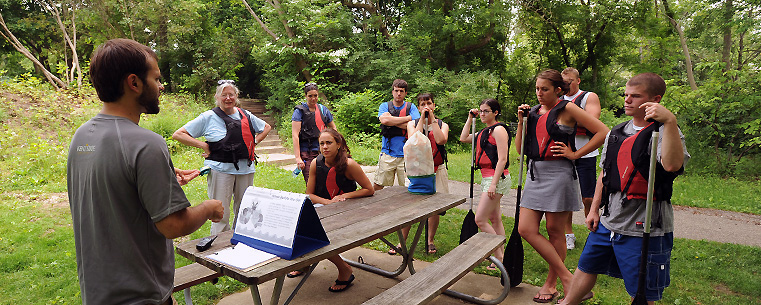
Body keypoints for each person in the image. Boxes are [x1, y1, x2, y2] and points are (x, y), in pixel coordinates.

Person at [67, 38, 224, 305]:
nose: (161, 86)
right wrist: (210, 207)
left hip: (97, 293)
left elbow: (113, 190)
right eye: (156, 78)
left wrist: (161, 182)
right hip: (140, 295)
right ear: (134, 83)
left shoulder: (82, 137)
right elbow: (173, 225)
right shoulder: (147, 143)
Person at [558, 73, 689, 305]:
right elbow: (605, 173)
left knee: (642, 293)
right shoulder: (616, 133)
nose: (627, 100)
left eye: (635, 96)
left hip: (645, 226)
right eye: (626, 95)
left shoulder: (666, 132)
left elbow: (672, 165)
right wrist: (594, 209)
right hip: (608, 221)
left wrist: (670, 121)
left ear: (655, 99)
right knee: (586, 267)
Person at [515, 69, 609, 303]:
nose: (539, 93)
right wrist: (521, 121)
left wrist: (576, 154)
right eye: (537, 88)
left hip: (559, 174)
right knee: (525, 229)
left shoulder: (567, 108)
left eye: (544, 89)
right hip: (535, 174)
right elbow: (519, 149)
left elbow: (602, 131)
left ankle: (551, 283)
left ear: (558, 90)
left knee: (555, 231)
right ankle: (569, 279)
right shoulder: (533, 112)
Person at [172, 80, 271, 235]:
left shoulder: (246, 115)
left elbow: (266, 127)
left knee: (245, 210)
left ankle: (241, 240)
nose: (228, 98)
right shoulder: (208, 117)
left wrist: (254, 143)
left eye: (231, 94)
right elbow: (178, 134)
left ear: (236, 96)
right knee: (220, 212)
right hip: (220, 170)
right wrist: (204, 146)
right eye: (223, 95)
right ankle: (219, 247)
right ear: (217, 97)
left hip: (246, 169)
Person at [288, 128, 375, 292]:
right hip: (324, 209)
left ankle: (345, 269)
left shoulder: (349, 165)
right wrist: (328, 203)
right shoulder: (316, 163)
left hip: (347, 212)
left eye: (329, 143)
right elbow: (309, 195)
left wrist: (346, 196)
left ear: (338, 144)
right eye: (322, 143)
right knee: (298, 225)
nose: (325, 147)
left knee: (316, 234)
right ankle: (305, 263)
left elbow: (369, 189)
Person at [393, 93, 450, 254]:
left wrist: (432, 121)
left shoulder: (442, 124)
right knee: (410, 207)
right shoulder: (412, 123)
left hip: (437, 169)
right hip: (416, 171)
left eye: (429, 103)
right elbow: (413, 140)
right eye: (423, 104)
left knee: (435, 207)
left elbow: (441, 140)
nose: (426, 106)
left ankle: (430, 240)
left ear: (434, 105)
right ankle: (402, 241)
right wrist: (422, 121)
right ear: (418, 107)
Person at [458, 98, 510, 266]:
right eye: (480, 111)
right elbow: (463, 137)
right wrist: (469, 118)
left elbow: (502, 159)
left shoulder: (499, 130)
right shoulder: (484, 132)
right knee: (495, 219)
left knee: (480, 220)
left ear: (495, 113)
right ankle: (501, 255)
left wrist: (493, 184)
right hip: (488, 178)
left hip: (496, 178)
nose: (482, 114)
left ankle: (500, 258)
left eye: (486, 111)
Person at [561, 67, 602, 250]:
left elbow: (592, 121)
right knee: (566, 197)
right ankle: (568, 235)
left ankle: (592, 233)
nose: (566, 85)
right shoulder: (558, 99)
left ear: (578, 81)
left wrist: (566, 119)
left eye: (569, 81)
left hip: (586, 153)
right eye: (563, 82)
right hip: (563, 152)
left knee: (588, 198)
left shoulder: (588, 97)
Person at [374, 79, 420, 190]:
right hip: (387, 153)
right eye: (396, 90)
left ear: (405, 93)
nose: (398, 93)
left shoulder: (411, 107)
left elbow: (417, 125)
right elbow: (384, 121)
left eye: (401, 91)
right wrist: (408, 119)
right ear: (392, 92)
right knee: (378, 185)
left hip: (407, 155)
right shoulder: (384, 106)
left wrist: (392, 121)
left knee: (408, 188)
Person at [291, 82, 338, 183]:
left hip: (323, 151)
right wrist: (298, 158)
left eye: (315, 95)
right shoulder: (299, 111)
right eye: (310, 96)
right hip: (307, 152)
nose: (313, 99)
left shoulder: (323, 110)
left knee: (326, 181)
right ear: (305, 96)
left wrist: (336, 145)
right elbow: (295, 135)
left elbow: (333, 128)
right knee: (311, 182)